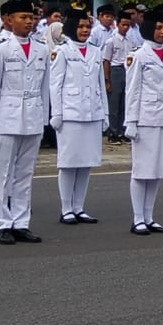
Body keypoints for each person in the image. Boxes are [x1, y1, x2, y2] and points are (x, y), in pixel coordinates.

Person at [0, 0, 52, 244]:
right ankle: (3, 223)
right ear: (8, 20)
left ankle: (21, 222)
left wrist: (43, 120)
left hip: (32, 115)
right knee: (2, 173)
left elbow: (45, 88)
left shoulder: (41, 48)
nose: (28, 22)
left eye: (31, 17)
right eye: (23, 17)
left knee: (25, 173)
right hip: (7, 116)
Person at [124, 18, 163, 234]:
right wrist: (130, 121)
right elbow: (133, 90)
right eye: (158, 27)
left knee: (158, 169)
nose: (162, 31)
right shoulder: (138, 55)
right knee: (142, 169)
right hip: (145, 118)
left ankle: (149, 216)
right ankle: (137, 218)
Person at [49, 14, 107, 225]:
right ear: (73, 28)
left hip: (92, 112)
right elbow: (55, 85)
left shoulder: (95, 50)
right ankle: (66, 209)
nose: (85, 30)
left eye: (88, 26)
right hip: (70, 114)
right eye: (81, 26)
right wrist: (56, 114)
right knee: (68, 163)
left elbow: (100, 84)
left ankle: (79, 207)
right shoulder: (62, 51)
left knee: (86, 163)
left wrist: (105, 113)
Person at [102, 10, 136, 143]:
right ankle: (113, 131)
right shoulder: (111, 41)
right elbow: (106, 61)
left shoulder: (130, 41)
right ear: (118, 24)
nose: (126, 28)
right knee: (114, 103)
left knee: (124, 102)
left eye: (128, 25)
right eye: (123, 25)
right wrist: (107, 80)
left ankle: (122, 130)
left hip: (126, 71)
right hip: (115, 70)